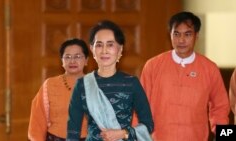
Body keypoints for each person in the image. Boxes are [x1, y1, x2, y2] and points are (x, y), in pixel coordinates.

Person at [136, 11, 230, 141]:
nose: (181, 40)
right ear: (170, 35)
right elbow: (139, 106)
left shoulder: (210, 69)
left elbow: (221, 108)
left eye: (187, 34)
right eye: (176, 34)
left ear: (196, 36)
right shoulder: (153, 66)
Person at [66, 20, 154, 141]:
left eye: (110, 44)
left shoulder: (131, 83)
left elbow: (148, 124)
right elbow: (72, 132)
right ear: (92, 49)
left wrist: (123, 133)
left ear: (120, 49)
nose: (104, 50)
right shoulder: (83, 85)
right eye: (99, 45)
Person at [28, 38, 89, 141]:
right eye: (67, 57)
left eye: (77, 56)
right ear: (62, 61)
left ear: (86, 60)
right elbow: (37, 122)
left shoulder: (97, 85)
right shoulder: (50, 84)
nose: (72, 61)